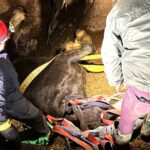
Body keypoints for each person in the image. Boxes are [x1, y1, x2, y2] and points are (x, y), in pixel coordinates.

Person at [101, 0, 150, 145]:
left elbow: (110, 53)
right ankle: (147, 128)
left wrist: (117, 81)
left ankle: (122, 138)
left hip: (140, 83)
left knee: (129, 112)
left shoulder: (119, 10)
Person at [0, 20, 49, 149]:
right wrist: (3, 125)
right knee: (38, 116)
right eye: (2, 41)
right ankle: (42, 135)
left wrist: (9, 31)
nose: (5, 42)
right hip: (11, 101)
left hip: (8, 95)